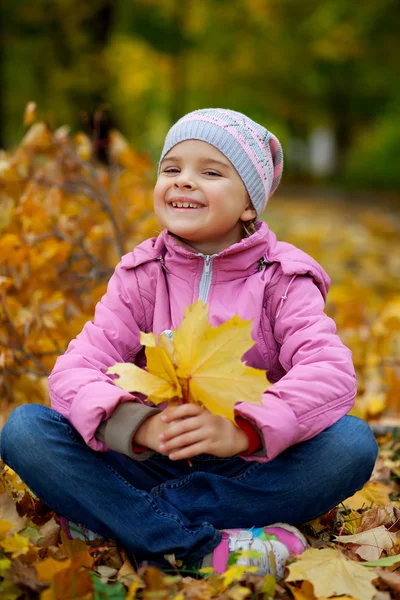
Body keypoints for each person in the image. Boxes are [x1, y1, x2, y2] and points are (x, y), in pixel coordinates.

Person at [0, 108, 378, 577]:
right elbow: (75, 369)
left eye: (211, 171)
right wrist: (135, 426)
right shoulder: (142, 275)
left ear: (248, 205)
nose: (183, 181)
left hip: (248, 466)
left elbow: (330, 371)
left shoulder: (282, 279)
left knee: (352, 444)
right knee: (26, 430)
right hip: (151, 456)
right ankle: (202, 547)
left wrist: (244, 430)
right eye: (172, 169)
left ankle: (117, 518)